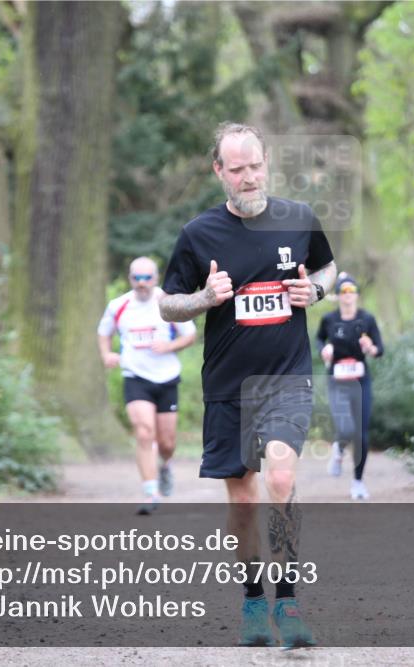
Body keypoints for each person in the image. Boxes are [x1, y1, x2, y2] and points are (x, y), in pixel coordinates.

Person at [159, 122, 337, 648]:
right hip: (227, 386)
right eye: (236, 169)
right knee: (242, 501)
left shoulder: (298, 219)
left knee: (280, 478)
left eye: (255, 166)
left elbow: (328, 268)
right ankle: (254, 600)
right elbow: (168, 302)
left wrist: (316, 290)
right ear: (219, 172)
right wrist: (204, 299)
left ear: (266, 161)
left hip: (285, 378)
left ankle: (289, 601)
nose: (248, 177)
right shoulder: (198, 235)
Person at [97, 257, 197, 515]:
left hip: (166, 378)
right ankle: (150, 491)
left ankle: (165, 466)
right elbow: (103, 332)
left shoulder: (169, 302)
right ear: (130, 278)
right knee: (144, 432)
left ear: (156, 277)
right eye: (136, 278)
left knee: (167, 442)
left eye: (147, 278)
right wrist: (107, 354)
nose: (142, 283)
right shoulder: (118, 305)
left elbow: (190, 335)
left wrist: (169, 346)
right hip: (136, 377)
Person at [316, 273, 384, 500]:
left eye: (351, 291)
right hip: (337, 380)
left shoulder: (367, 320)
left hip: (360, 380)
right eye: (343, 291)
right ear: (337, 296)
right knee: (345, 428)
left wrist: (370, 347)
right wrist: (323, 349)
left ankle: (357, 482)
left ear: (356, 295)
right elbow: (319, 339)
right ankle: (338, 449)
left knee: (361, 435)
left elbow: (379, 350)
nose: (348, 296)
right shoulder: (329, 320)